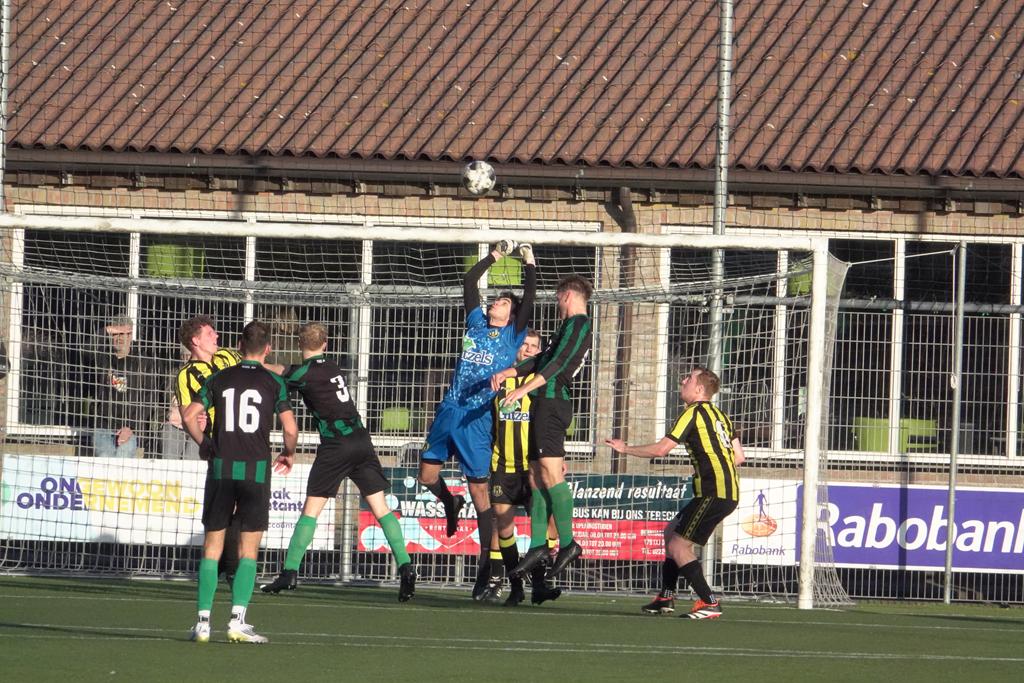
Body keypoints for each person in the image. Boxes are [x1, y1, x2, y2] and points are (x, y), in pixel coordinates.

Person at [260, 322, 417, 601]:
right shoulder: (332, 367)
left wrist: (256, 363)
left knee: (311, 511)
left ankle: (290, 572)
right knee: (381, 509)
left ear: (299, 344)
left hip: (336, 446)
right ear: (326, 344)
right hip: (362, 441)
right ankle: (405, 566)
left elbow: (281, 372)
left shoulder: (302, 373)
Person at [418, 240, 536, 598]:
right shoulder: (475, 324)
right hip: (448, 410)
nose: (493, 304)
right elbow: (469, 282)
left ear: (512, 314)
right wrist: (495, 256)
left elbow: (529, 298)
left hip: (477, 418)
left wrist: (529, 263)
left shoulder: (513, 336)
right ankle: (449, 502)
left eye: (501, 302)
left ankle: (486, 566)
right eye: (495, 300)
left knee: (480, 493)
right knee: (426, 476)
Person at [183, 320, 298, 644]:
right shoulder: (274, 382)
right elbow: (290, 429)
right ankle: (237, 620)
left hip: (221, 468)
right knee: (248, 550)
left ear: (238, 345)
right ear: (268, 349)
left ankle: (203, 622)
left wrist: (204, 443)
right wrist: (288, 453)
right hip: (255, 471)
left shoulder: (219, 378)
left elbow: (190, 415)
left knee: (212, 546)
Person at [604, 367, 745, 620]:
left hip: (714, 492)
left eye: (688, 378)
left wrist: (625, 449)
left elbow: (661, 450)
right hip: (726, 491)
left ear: (699, 389)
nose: (683, 380)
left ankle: (709, 602)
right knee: (670, 532)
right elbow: (739, 457)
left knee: (679, 545)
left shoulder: (692, 413)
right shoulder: (722, 416)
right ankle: (665, 597)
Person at [498, 275, 593, 583]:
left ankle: (567, 543)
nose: (557, 305)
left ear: (566, 296)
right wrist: (511, 371)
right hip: (542, 404)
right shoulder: (564, 328)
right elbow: (542, 360)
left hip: (553, 405)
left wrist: (523, 390)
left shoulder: (579, 324)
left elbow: (558, 364)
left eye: (557, 298)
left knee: (551, 474)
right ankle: (538, 545)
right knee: (536, 477)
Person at [478, 329, 562, 606]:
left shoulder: (542, 384)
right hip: (503, 465)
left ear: (541, 352)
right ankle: (514, 586)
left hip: (534, 466)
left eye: (533, 346)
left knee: (543, 523)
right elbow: (490, 424)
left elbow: (553, 425)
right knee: (503, 526)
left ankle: (540, 583)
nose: (527, 350)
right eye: (524, 345)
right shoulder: (500, 381)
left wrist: (557, 459)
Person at [175, 315, 243, 579]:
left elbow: (252, 361)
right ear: (195, 341)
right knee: (220, 508)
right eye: (210, 333)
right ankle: (224, 567)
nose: (217, 337)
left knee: (239, 505)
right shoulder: (185, 375)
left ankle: (231, 567)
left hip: (244, 438)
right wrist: (204, 442)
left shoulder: (226, 356)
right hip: (220, 445)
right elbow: (187, 414)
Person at [85, 317, 164, 458]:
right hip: (103, 426)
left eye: (123, 334)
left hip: (129, 429)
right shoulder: (102, 358)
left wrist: (130, 428)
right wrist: (108, 330)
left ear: (130, 335)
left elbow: (149, 399)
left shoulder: (144, 363)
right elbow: (85, 348)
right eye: (115, 334)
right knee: (104, 456)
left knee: (123, 456)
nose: (118, 338)